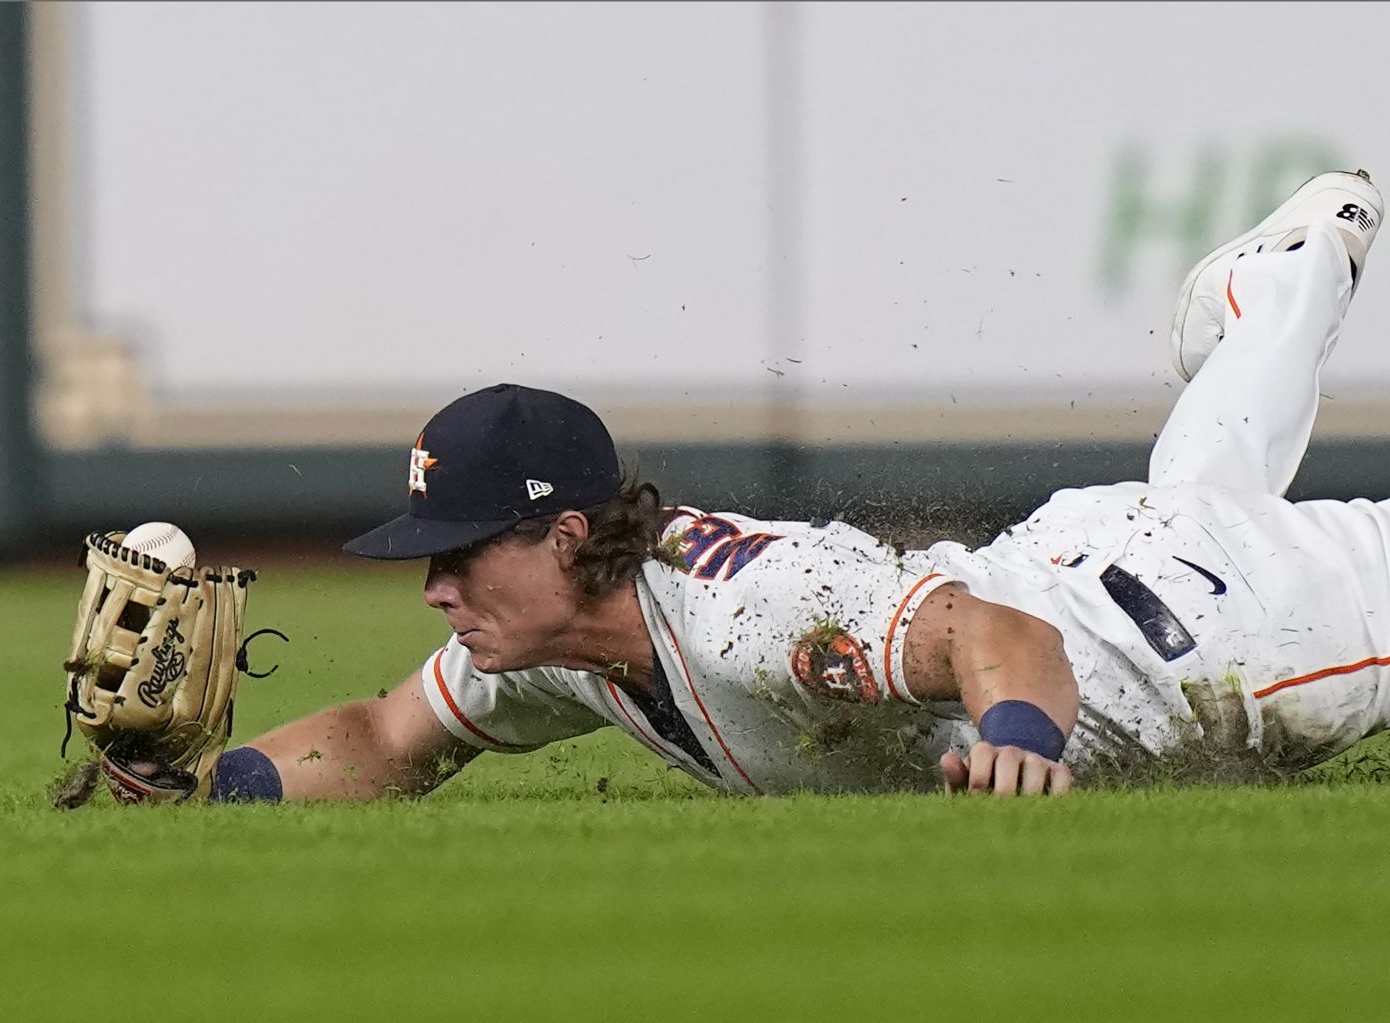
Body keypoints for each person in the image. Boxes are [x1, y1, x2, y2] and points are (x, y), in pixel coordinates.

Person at [208, 169, 1387, 802]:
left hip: (1205, 640)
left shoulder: (753, 609)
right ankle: (1291, 280)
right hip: (1092, 550)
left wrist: (1022, 741)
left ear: (563, 538)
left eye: (461, 554)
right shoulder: (553, 647)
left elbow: (1004, 637)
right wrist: (209, 789)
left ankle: (1290, 284)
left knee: (1220, 527)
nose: (436, 589)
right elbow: (382, 736)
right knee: (1194, 500)